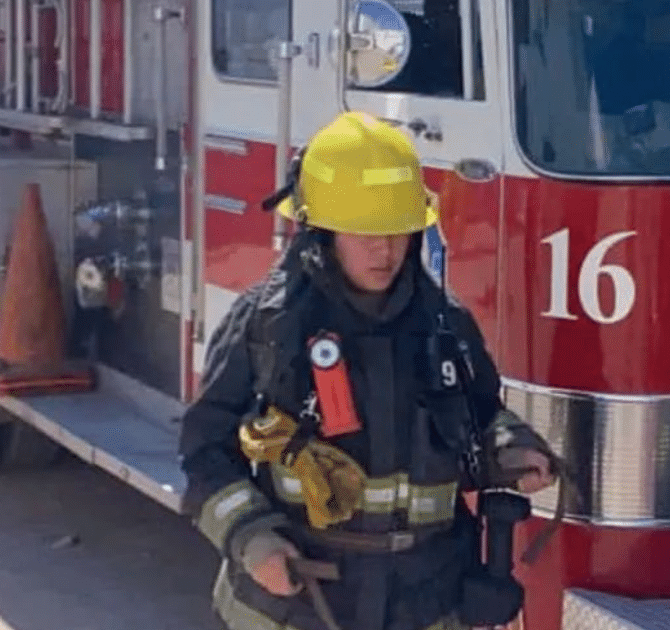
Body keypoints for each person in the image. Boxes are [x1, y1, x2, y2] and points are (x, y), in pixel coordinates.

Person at [176, 111, 559, 630]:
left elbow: (482, 416)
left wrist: (510, 446)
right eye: (365, 233)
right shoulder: (268, 326)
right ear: (323, 232)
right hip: (300, 602)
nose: (386, 250)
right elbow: (204, 450)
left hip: (423, 601)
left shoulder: (445, 328)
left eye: (398, 231)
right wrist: (251, 537)